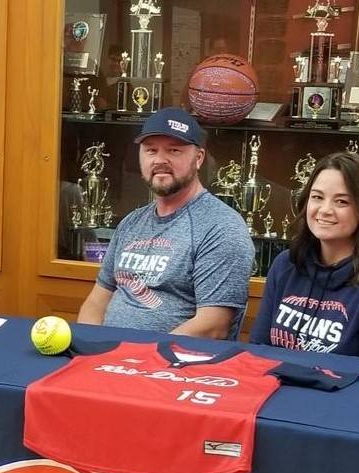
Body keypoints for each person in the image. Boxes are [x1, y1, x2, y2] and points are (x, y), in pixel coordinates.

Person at [77, 107, 254, 339]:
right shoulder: (131, 223)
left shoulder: (221, 228)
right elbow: (96, 302)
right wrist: (88, 347)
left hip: (170, 367)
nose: (160, 160)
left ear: (198, 158)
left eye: (174, 150)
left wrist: (139, 360)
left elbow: (213, 326)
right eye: (151, 150)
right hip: (108, 360)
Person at [249, 151, 359, 361]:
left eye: (341, 202)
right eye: (317, 197)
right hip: (278, 389)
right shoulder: (287, 264)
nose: (324, 210)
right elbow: (257, 353)